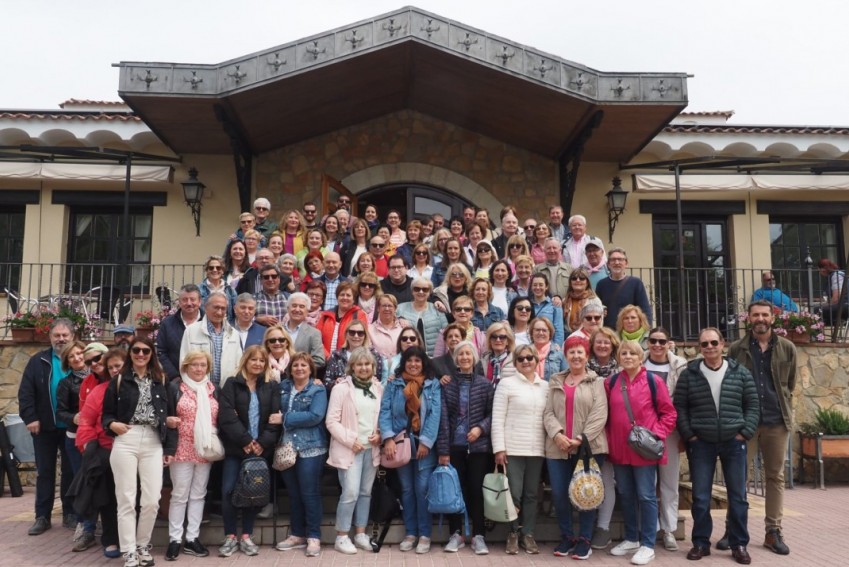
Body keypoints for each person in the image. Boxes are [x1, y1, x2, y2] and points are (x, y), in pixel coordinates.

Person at [675, 328, 759, 565]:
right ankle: (701, 543)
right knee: (700, 497)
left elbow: (752, 404)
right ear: (699, 348)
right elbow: (680, 407)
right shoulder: (689, 374)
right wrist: (690, 435)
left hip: (734, 442)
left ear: (723, 344)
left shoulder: (739, 372)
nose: (709, 347)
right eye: (704, 344)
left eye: (714, 342)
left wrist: (745, 433)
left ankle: (739, 543)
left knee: (738, 497)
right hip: (701, 443)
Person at [727, 301, 796, 556]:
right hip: (745, 423)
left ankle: (773, 531)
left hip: (776, 422)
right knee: (738, 478)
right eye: (755, 314)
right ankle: (733, 530)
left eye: (765, 314)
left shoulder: (787, 348)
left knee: (775, 476)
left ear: (772, 318)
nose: (760, 319)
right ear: (749, 318)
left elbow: (790, 384)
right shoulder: (737, 349)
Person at [605, 340, 677, 566]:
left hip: (643, 450)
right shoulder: (612, 381)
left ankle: (648, 544)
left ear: (640, 357)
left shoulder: (652, 381)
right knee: (626, 494)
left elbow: (669, 413)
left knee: (646, 495)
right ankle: (631, 538)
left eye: (632, 354)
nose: (627, 357)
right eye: (623, 353)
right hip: (619, 449)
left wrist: (656, 434)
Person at [101, 336, 168, 567]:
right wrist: (112, 425)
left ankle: (142, 545)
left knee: (151, 500)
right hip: (126, 437)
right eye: (136, 350)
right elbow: (106, 414)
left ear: (151, 354)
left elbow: (166, 415)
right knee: (126, 499)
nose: (140, 355)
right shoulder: (119, 380)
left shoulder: (160, 379)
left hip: (152, 439)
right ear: (130, 353)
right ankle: (129, 550)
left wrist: (169, 447)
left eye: (145, 351)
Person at [544, 335, 609, 560]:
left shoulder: (596, 382)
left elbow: (600, 414)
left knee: (586, 493)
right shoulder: (555, 380)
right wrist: (557, 435)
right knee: (561, 495)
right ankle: (567, 536)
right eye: (571, 352)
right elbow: (548, 412)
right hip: (558, 448)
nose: (576, 356)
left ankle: (585, 539)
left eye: (580, 351)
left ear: (587, 355)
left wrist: (581, 438)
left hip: (588, 447)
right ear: (566, 355)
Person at [217, 346, 282, 558]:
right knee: (228, 491)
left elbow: (274, 418)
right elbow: (226, 416)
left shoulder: (270, 386)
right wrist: (245, 440)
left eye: (261, 361)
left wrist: (262, 443)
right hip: (237, 448)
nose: (257, 364)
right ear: (246, 361)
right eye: (253, 360)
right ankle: (230, 537)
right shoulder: (232, 384)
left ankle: (246, 535)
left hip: (259, 450)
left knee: (253, 493)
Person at [379, 346, 442, 554]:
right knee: (406, 489)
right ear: (403, 363)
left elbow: (435, 415)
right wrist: (387, 438)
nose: (413, 365)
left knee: (422, 489)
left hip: (424, 446)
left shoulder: (432, 385)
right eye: (409, 361)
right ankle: (411, 533)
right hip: (400, 444)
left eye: (417, 361)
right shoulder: (394, 385)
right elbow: (385, 411)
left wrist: (426, 441)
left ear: (423, 363)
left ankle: (424, 534)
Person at [18, 318, 76, 536]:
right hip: (43, 426)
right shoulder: (38, 361)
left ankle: (70, 513)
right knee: (45, 472)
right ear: (50, 337)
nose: (61, 339)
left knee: (70, 471)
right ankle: (42, 516)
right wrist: (30, 417)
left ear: (72, 337)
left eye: (65, 335)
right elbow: (26, 393)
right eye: (56, 335)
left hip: (71, 427)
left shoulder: (78, 361)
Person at [436, 341, 494, 555]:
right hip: (454, 447)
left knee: (476, 491)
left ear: (474, 357)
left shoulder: (485, 384)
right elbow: (442, 420)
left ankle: (478, 535)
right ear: (456, 359)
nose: (465, 357)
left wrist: (480, 428)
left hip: (478, 447)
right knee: (454, 492)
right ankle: (456, 534)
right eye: (461, 354)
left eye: (468, 354)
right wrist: (443, 450)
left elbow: (492, 414)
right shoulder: (447, 385)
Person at [325, 347, 384, 555]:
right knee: (349, 493)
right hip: (350, 450)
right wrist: (351, 440)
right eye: (359, 364)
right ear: (352, 367)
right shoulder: (341, 389)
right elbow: (331, 421)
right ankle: (341, 536)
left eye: (367, 364)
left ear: (373, 367)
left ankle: (360, 534)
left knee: (365, 493)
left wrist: (380, 434)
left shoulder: (378, 388)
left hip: (371, 449)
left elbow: (382, 417)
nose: (364, 368)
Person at [492, 343, 549, 555]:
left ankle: (529, 534)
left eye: (530, 358)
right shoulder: (506, 384)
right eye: (521, 358)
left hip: (537, 449)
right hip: (512, 448)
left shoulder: (545, 386)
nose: (526, 361)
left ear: (536, 360)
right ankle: (513, 533)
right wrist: (499, 448)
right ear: (515, 362)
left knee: (532, 494)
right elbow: (498, 418)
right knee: (513, 494)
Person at [163, 351, 219, 561]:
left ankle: (192, 538)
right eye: (194, 365)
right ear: (186, 367)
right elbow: (166, 415)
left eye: (202, 365)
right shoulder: (176, 387)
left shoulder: (213, 389)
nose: (198, 369)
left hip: (205, 448)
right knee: (179, 494)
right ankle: (175, 539)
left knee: (198, 494)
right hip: (182, 447)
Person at [275, 353, 329, 558]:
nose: (299, 368)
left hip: (311, 447)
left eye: (303, 365)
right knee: (294, 493)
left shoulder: (317, 388)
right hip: (286, 447)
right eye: (295, 365)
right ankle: (298, 534)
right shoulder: (282, 387)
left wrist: (285, 418)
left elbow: (315, 416)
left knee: (309, 492)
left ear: (310, 369)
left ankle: (314, 535)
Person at [75, 346, 125, 559]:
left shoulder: (140, 387)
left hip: (135, 451)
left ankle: (131, 539)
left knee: (131, 497)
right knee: (108, 498)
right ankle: (111, 539)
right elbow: (86, 421)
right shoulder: (99, 391)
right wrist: (87, 445)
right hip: (106, 450)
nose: (114, 370)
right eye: (111, 367)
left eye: (119, 366)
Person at [643, 327, 687, 552]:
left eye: (662, 341)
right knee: (647, 482)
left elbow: (683, 400)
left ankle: (668, 529)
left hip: (669, 431)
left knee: (669, 481)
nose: (657, 345)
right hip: (644, 432)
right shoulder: (639, 363)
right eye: (653, 341)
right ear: (647, 342)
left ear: (669, 343)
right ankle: (649, 527)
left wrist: (682, 435)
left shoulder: (679, 365)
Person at [55, 340, 97, 549]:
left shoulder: (99, 376)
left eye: (80, 353)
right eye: (72, 356)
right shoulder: (65, 384)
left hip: (100, 437)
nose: (77, 358)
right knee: (84, 482)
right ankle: (86, 525)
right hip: (76, 438)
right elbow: (60, 411)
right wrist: (74, 418)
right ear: (67, 362)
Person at [587, 327, 620, 550]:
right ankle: (591, 527)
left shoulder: (621, 369)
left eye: (606, 342)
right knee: (596, 479)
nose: (602, 346)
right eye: (598, 342)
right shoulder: (583, 368)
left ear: (613, 345)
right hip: (590, 431)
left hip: (616, 429)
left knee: (611, 480)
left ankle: (604, 527)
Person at [181, 291, 243, 388]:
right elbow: (184, 363)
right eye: (216, 307)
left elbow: (239, 365)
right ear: (206, 308)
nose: (219, 312)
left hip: (227, 391)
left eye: (223, 308)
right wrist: (193, 388)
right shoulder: (191, 331)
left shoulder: (234, 334)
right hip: (198, 390)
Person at [596, 247, 652, 329]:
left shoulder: (636, 283)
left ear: (626, 263)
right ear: (608, 264)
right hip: (608, 333)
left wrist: (647, 330)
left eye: (620, 259)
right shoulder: (601, 284)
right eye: (613, 260)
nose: (617, 262)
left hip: (629, 332)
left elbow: (645, 309)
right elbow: (596, 309)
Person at [156, 284, 203, 380]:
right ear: (179, 302)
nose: (189, 303)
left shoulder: (208, 323)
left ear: (200, 302)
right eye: (185, 300)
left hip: (204, 380)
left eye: (193, 299)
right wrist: (175, 377)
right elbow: (161, 352)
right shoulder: (167, 324)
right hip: (175, 381)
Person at [396, 276, 447, 356]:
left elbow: (446, 334)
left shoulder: (437, 310)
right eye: (417, 289)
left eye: (425, 289)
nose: (421, 292)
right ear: (412, 291)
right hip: (408, 358)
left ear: (430, 292)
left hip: (434, 359)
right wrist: (399, 318)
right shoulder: (400, 308)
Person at [325, 319, 385, 386]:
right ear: (346, 335)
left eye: (360, 333)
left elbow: (380, 379)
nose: (356, 336)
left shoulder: (374, 355)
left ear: (365, 336)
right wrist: (335, 382)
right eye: (352, 332)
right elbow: (327, 382)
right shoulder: (336, 355)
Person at [316, 281, 368, 358]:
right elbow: (316, 340)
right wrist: (328, 356)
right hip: (325, 360)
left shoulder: (359, 315)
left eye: (348, 295)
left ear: (353, 299)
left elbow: (362, 340)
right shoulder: (326, 315)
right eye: (342, 295)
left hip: (349, 361)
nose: (345, 298)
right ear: (337, 297)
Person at [368, 294, 410, 361]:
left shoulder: (404, 327)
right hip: (379, 368)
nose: (387, 309)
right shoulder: (369, 329)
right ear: (378, 308)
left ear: (395, 308)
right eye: (384, 306)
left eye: (390, 306)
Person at [563, 267, 603, 332]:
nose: (578, 280)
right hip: (568, 337)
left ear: (587, 282)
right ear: (570, 282)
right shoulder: (565, 300)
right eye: (574, 278)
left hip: (588, 336)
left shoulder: (594, 300)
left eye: (582, 278)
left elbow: (599, 324)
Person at [529, 273, 565, 345]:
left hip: (548, 345)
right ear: (531, 287)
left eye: (541, 285)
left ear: (546, 287)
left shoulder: (554, 304)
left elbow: (559, 330)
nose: (538, 287)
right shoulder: (527, 304)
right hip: (530, 344)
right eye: (535, 285)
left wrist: (557, 347)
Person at [199, 255, 237, 321]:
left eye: (218, 268)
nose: (215, 270)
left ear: (222, 271)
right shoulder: (198, 290)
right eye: (211, 268)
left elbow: (235, 312)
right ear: (207, 271)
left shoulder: (230, 290)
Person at [530, 316, 567, 381]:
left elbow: (566, 377)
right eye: (537, 330)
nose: (541, 333)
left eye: (544, 330)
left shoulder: (558, 353)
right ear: (532, 332)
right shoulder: (525, 352)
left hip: (551, 390)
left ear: (550, 333)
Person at [535, 237, 573, 301]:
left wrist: (563, 301)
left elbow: (573, 289)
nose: (552, 251)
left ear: (560, 250)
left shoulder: (569, 269)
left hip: (565, 306)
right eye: (549, 248)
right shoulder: (537, 269)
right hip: (545, 307)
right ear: (544, 251)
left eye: (554, 248)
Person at [817, 258, 848, 325]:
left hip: (846, 304)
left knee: (818, 310)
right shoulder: (831, 277)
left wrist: (825, 305)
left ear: (823, 269)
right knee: (818, 308)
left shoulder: (836, 276)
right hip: (842, 304)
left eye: (819, 270)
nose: (819, 272)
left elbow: (836, 298)